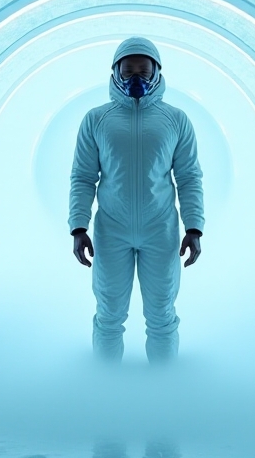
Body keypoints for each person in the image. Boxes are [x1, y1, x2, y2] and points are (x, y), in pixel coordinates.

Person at [68, 36, 205, 365]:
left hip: (161, 231)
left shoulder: (176, 120)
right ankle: (106, 385)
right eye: (127, 70)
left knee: (162, 315)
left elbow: (188, 177)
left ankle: (163, 385)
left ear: (156, 72)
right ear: (115, 72)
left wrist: (194, 228)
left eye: (144, 71)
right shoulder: (96, 119)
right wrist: (78, 227)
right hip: (111, 231)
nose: (135, 78)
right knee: (108, 315)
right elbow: (83, 177)